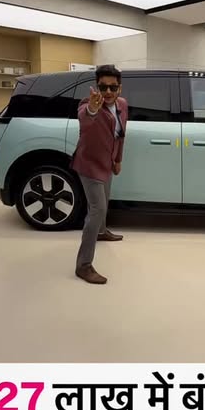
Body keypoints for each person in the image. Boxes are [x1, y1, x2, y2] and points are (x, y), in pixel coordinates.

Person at [71, 65, 128, 285]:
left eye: (113, 87)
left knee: (106, 199)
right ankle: (83, 265)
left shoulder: (122, 105)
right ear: (97, 87)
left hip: (107, 163)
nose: (108, 92)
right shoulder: (88, 105)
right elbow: (85, 119)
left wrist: (118, 159)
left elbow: (121, 135)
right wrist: (92, 110)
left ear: (120, 88)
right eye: (103, 87)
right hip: (89, 165)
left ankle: (101, 232)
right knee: (97, 209)